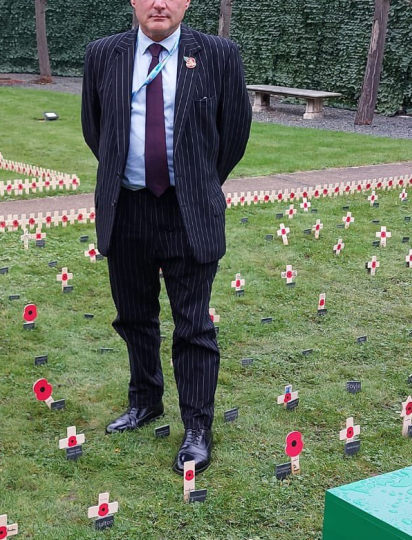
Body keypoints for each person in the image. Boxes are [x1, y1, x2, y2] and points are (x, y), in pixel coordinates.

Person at [80, 0, 252, 475]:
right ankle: (145, 400)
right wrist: (129, 171)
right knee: (134, 317)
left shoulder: (218, 54)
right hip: (127, 206)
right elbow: (96, 130)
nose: (160, 3)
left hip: (187, 210)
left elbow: (234, 132)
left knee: (192, 324)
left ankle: (197, 426)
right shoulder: (103, 54)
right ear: (133, 2)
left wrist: (197, 183)